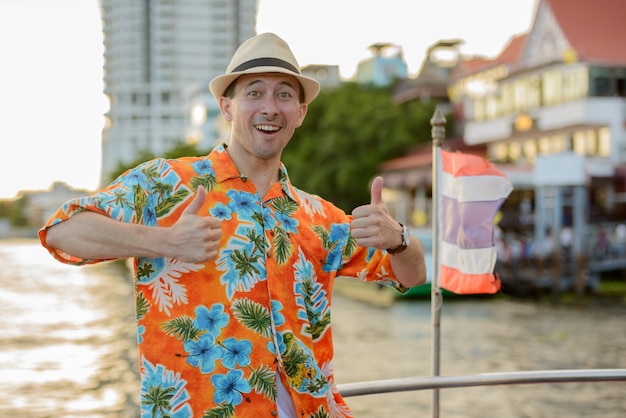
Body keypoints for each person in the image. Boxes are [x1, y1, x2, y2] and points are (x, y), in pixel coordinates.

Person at [40, 32, 426, 418]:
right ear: (227, 107)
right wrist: (164, 240)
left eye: (284, 95)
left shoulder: (318, 216)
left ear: (301, 113)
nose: (270, 108)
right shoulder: (166, 183)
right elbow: (62, 233)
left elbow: (410, 275)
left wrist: (400, 239)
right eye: (254, 93)